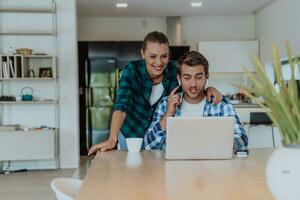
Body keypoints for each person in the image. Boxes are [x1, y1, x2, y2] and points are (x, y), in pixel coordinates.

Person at [88, 31, 222, 155]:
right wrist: (112, 139)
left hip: (157, 136)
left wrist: (209, 89)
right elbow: (122, 105)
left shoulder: (174, 69)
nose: (159, 62)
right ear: (143, 53)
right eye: (153, 56)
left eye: (164, 56)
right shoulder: (132, 70)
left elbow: (191, 81)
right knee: (130, 173)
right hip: (131, 133)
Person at [144, 51, 248, 151]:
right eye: (187, 78)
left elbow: (242, 139)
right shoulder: (166, 104)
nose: (193, 84)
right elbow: (149, 146)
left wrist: (217, 145)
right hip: (174, 167)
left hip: (212, 168)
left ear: (206, 77)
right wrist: (168, 114)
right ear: (179, 78)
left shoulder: (221, 104)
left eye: (198, 77)